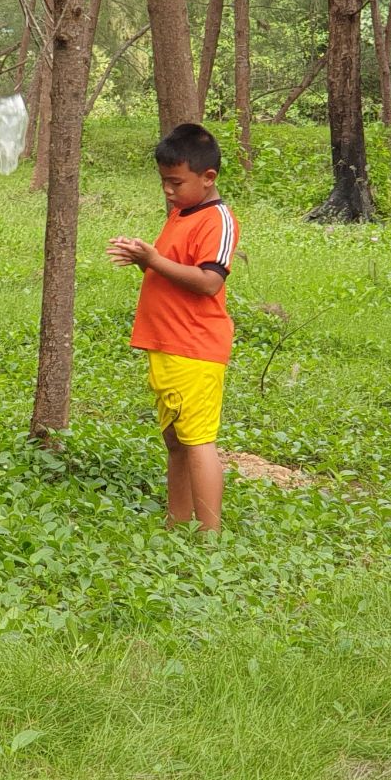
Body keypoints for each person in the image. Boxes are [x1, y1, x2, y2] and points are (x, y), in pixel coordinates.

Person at [107, 123, 239, 534]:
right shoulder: (182, 214)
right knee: (176, 441)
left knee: (198, 441)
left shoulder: (218, 220)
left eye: (175, 182)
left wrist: (155, 260)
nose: (168, 190)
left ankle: (210, 532)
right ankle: (177, 520)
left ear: (208, 177)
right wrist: (145, 258)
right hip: (168, 346)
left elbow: (209, 281)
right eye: (163, 182)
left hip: (195, 348)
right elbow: (172, 270)